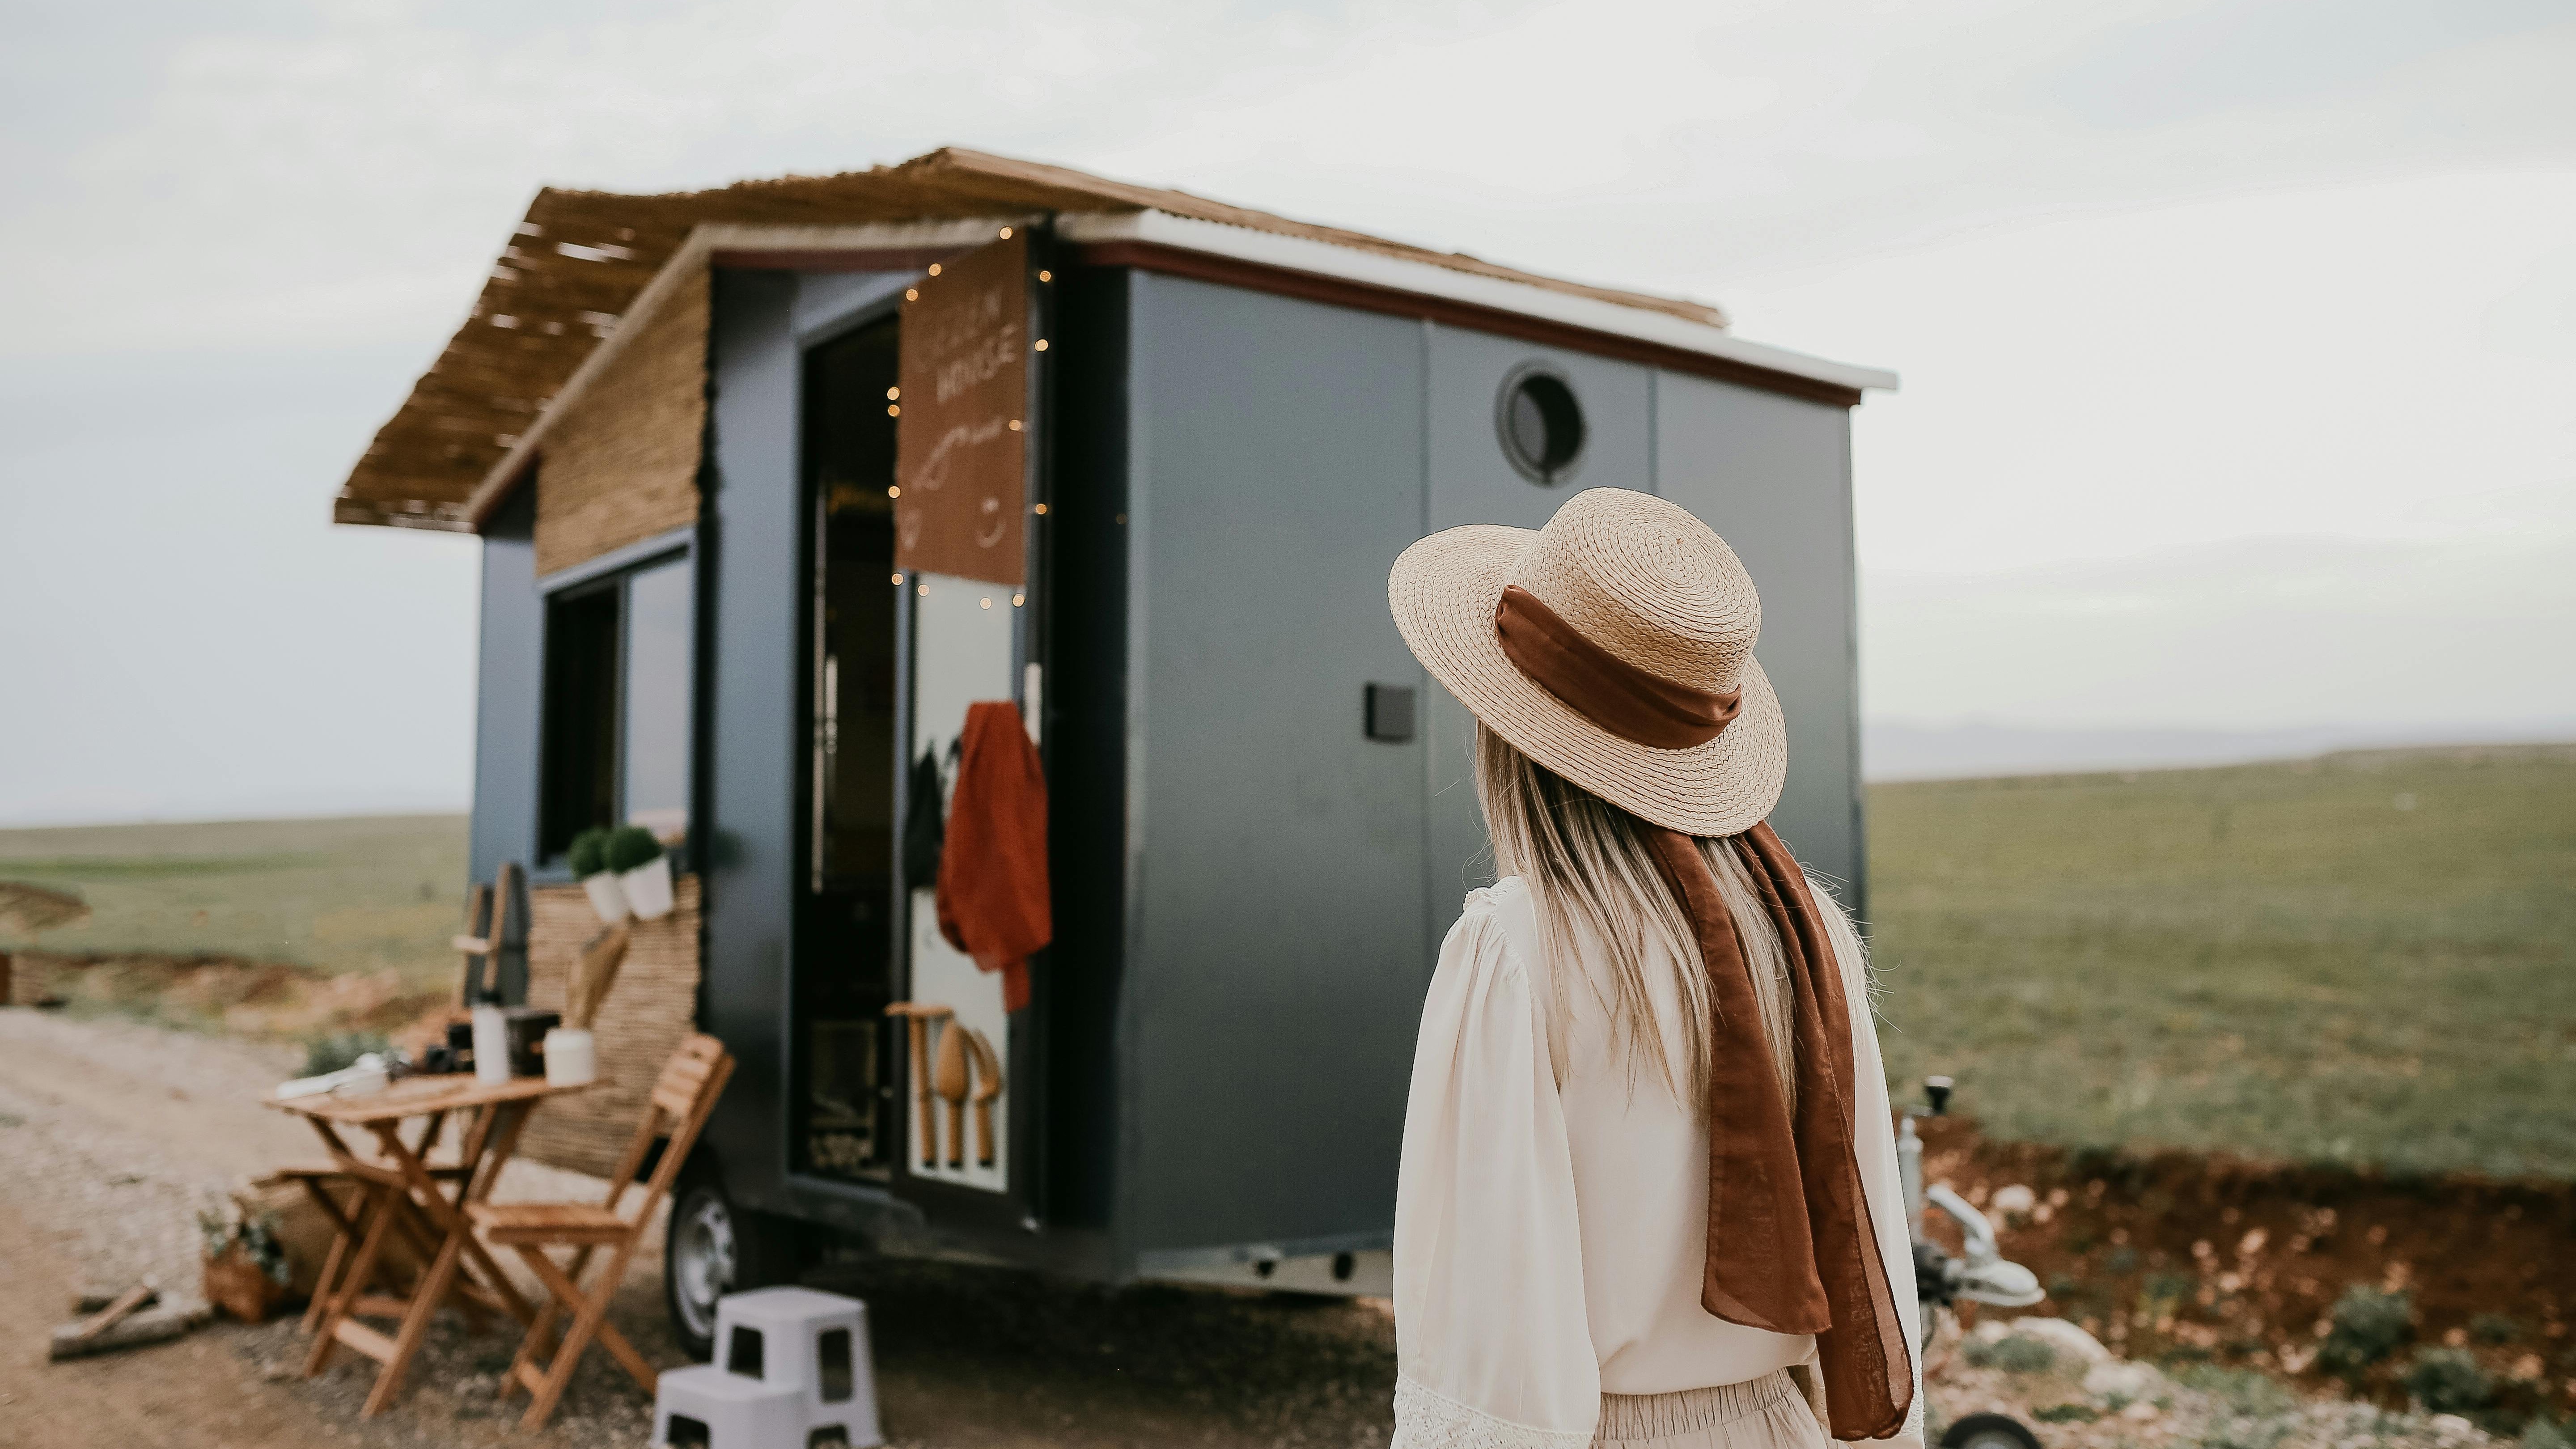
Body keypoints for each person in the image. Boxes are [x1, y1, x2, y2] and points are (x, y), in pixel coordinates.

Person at [1385, 487, 1922, 1449]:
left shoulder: (1516, 948)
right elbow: (1870, 1241)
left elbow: (1493, 1325)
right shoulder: (1811, 933)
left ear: (1509, 733)